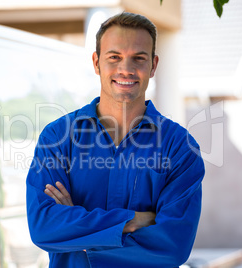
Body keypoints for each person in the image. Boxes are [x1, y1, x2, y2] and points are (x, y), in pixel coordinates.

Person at [26, 12, 205, 268]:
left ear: (153, 66)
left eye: (138, 58)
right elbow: (44, 227)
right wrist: (131, 221)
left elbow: (173, 246)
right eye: (114, 57)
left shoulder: (180, 148)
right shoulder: (57, 138)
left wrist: (80, 238)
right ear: (96, 63)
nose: (126, 69)